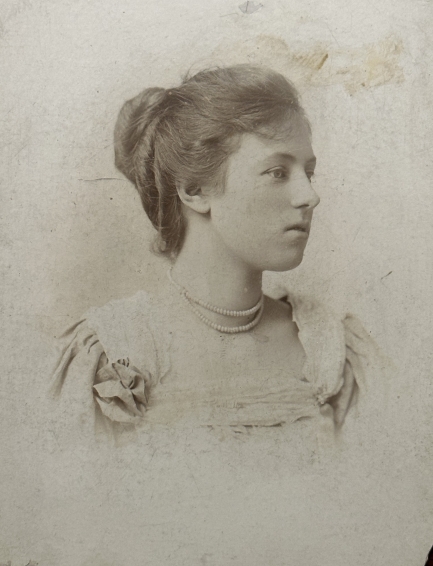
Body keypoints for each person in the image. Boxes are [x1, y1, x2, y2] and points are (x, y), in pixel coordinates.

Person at [50, 64, 387, 444]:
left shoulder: (329, 349)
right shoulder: (117, 349)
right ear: (194, 190)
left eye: (308, 172)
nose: (310, 196)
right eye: (278, 172)